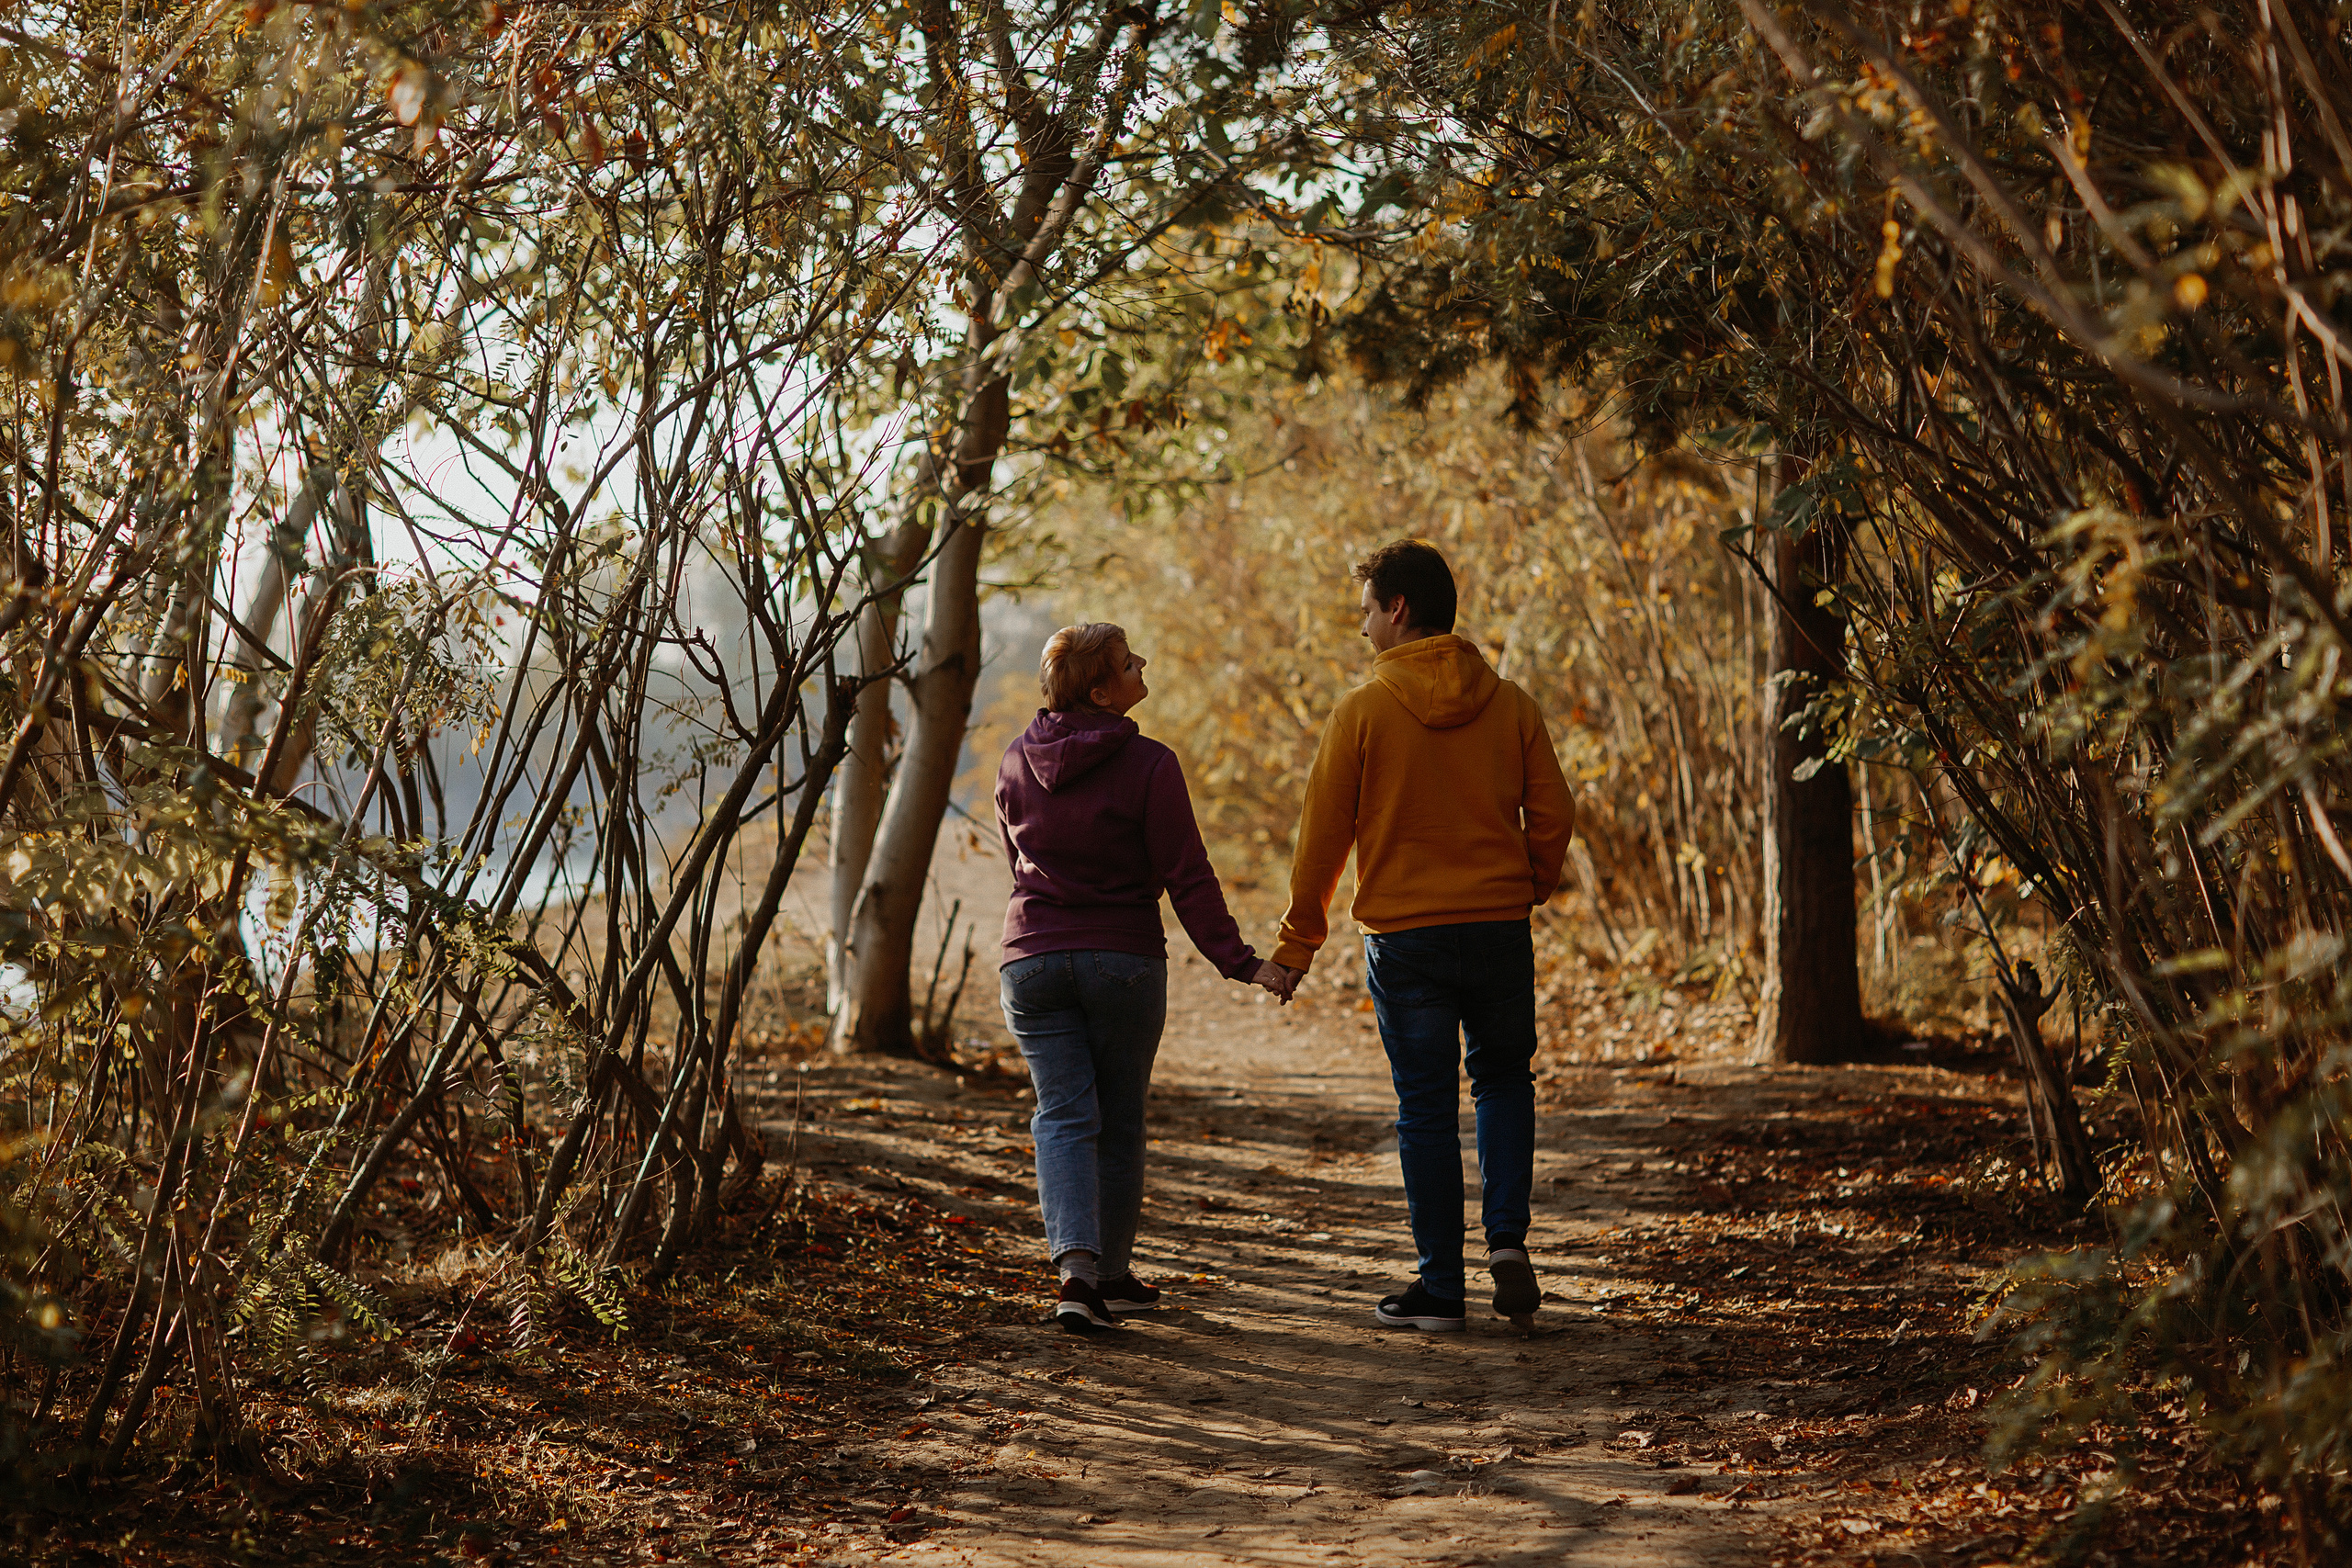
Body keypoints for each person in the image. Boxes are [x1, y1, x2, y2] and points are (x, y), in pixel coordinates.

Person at [1266, 541, 1576, 1332]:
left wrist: (1297, 945)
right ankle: (1506, 1236)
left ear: (1397, 609)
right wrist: (1531, 881)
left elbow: (1323, 838)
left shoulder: (1361, 713)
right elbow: (1554, 813)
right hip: (1499, 923)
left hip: (1406, 938)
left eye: (1367, 609)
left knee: (1426, 1108)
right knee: (1505, 1079)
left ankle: (1442, 1287)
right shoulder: (1511, 704)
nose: (1362, 625)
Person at [996, 623, 1290, 1333]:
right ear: (1102, 691)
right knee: (1119, 1120)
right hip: (1121, 961)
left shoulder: (1013, 761)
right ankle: (1107, 1272)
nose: (1142, 667)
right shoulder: (1150, 764)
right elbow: (1187, 874)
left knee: (1063, 1114)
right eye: (1130, 664)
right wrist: (1243, 961)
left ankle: (1083, 1276)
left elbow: (1016, 861)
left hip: (1030, 961)